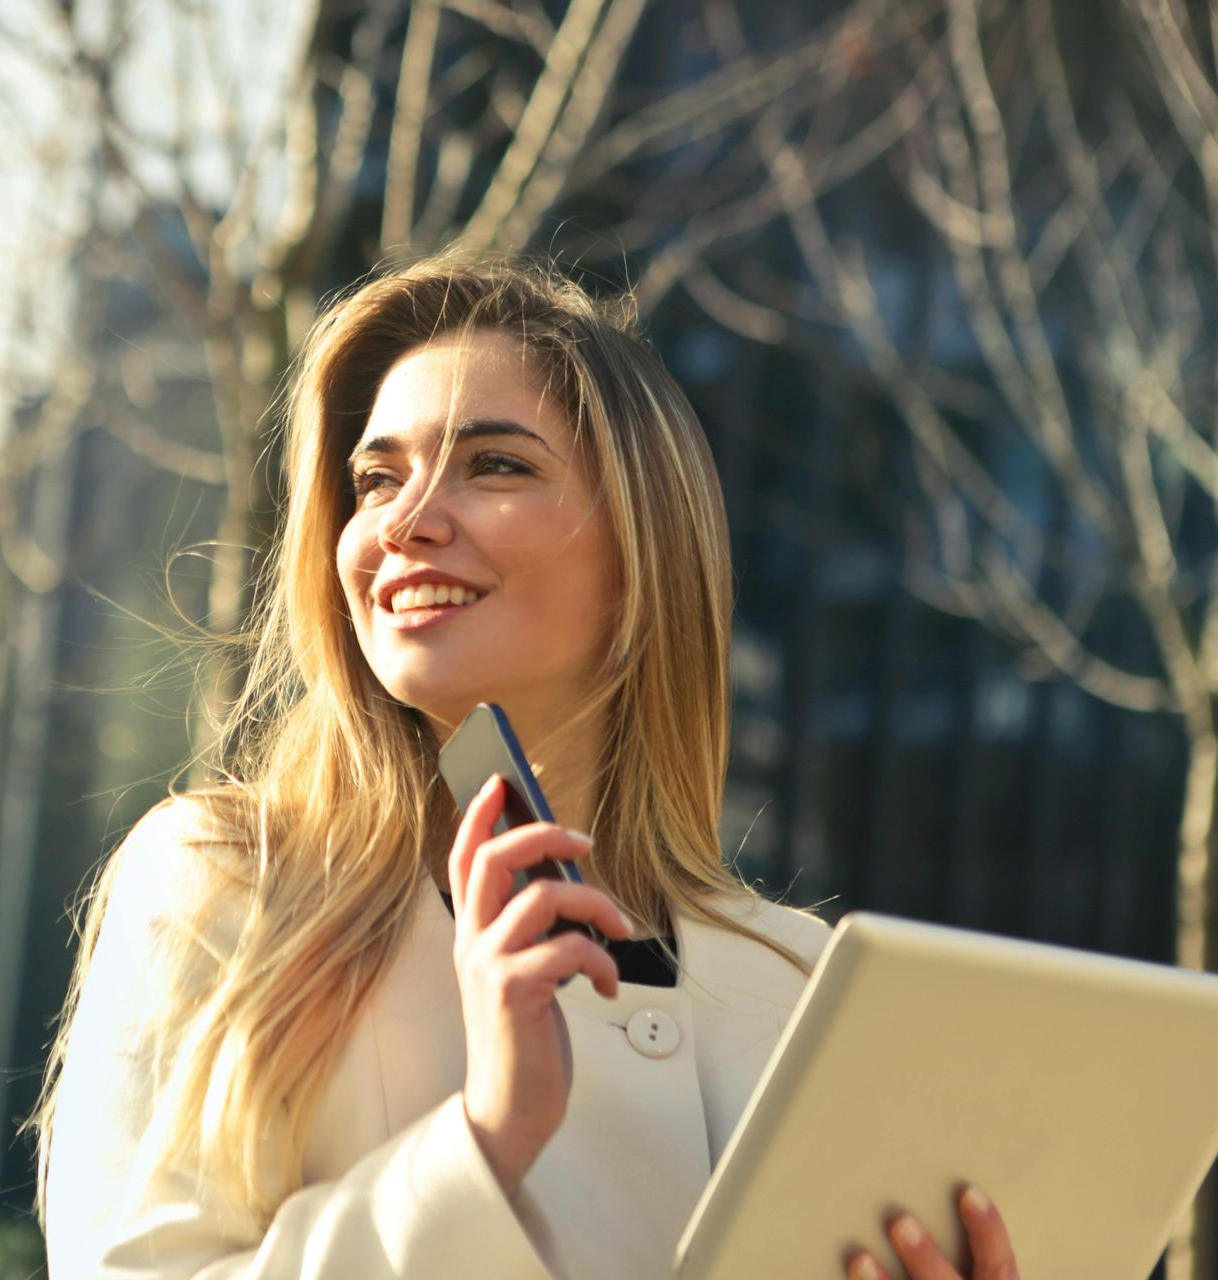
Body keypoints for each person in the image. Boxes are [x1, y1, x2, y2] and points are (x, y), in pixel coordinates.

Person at [31, 253, 1021, 1279]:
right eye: (376, 478)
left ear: (645, 548)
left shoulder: (797, 979)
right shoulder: (228, 877)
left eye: (494, 464)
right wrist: (484, 1139)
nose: (405, 520)